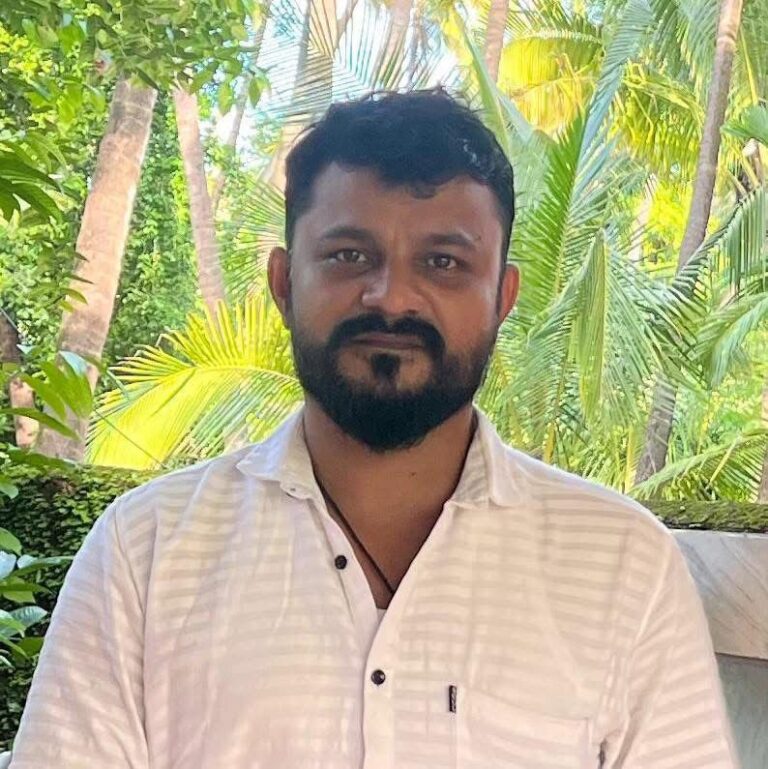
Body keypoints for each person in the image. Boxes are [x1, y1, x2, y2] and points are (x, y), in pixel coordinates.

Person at [8, 89, 738, 769]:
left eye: (444, 262)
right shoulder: (146, 551)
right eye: (349, 255)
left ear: (502, 297)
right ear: (284, 282)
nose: (391, 298)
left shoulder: (623, 565)